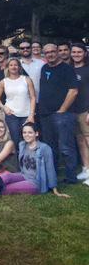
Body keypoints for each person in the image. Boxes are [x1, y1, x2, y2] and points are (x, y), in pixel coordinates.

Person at [0, 123, 68, 198]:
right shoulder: (23, 145)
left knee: (7, 188)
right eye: (24, 132)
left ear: (36, 134)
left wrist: (55, 190)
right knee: (6, 176)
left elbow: (50, 169)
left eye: (30, 132)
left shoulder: (44, 148)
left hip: (35, 182)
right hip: (23, 175)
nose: (27, 135)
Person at [39, 43, 79, 184]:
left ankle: (71, 177)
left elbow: (73, 91)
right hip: (45, 115)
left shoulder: (67, 69)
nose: (50, 54)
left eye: (52, 51)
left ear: (57, 52)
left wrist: (62, 110)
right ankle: (52, 174)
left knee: (66, 148)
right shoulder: (44, 68)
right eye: (47, 52)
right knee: (50, 148)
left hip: (63, 115)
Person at [0, 58, 36, 146]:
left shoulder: (26, 79)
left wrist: (31, 115)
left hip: (26, 114)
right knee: (15, 139)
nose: (13, 67)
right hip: (12, 115)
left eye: (16, 65)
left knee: (28, 139)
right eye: (11, 65)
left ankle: (27, 159)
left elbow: (33, 97)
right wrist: (3, 107)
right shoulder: (3, 82)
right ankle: (16, 159)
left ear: (19, 67)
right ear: (8, 67)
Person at [70, 43, 89, 183]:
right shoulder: (69, 69)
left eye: (79, 52)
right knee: (81, 141)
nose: (76, 54)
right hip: (73, 111)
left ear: (85, 53)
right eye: (74, 52)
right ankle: (86, 169)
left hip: (85, 110)